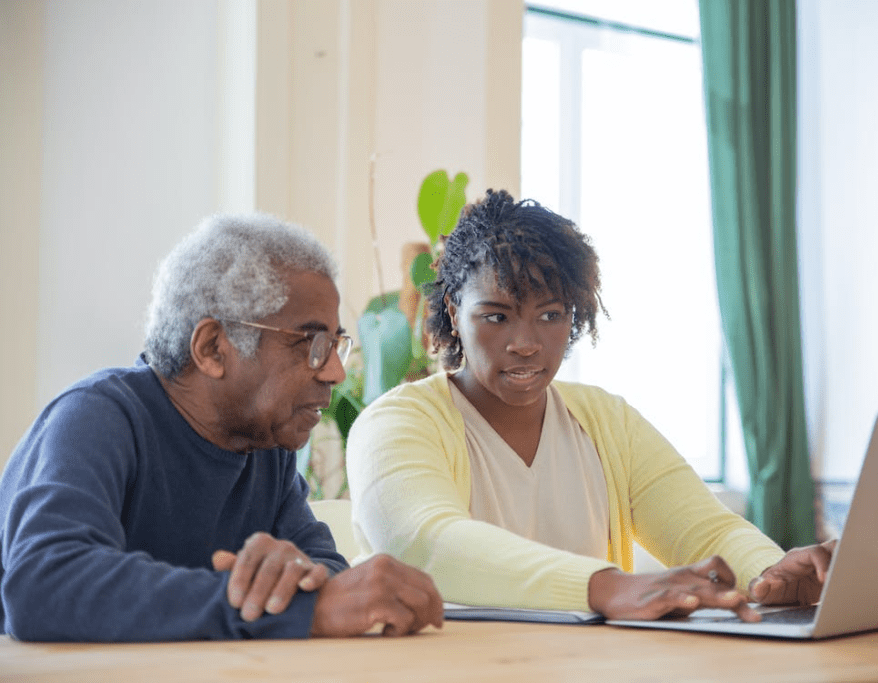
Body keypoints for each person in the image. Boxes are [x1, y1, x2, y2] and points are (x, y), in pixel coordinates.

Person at [347, 190, 835, 621]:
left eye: (550, 316)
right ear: (453, 312)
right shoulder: (396, 423)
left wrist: (771, 573)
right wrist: (607, 587)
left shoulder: (607, 422)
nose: (525, 343)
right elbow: (427, 543)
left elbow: (705, 530)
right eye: (496, 316)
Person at [0, 214, 443, 641]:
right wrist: (288, 609)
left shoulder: (265, 447)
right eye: (311, 344)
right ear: (213, 348)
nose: (334, 373)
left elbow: (324, 567)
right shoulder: (95, 419)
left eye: (335, 345)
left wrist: (297, 582)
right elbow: (44, 583)